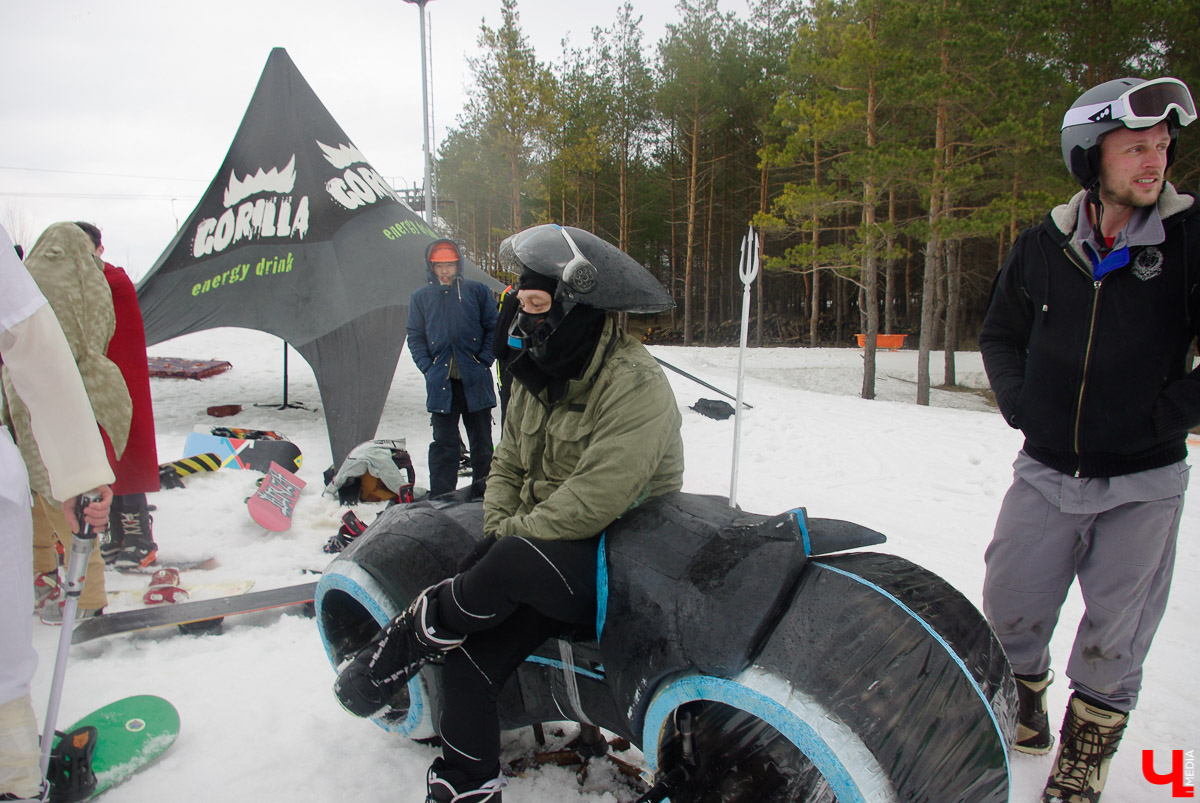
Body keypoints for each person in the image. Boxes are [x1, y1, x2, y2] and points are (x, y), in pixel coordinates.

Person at [335, 224, 684, 802]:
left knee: (509, 561)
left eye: (538, 304)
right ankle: (467, 785)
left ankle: (404, 644)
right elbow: (507, 468)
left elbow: (595, 499)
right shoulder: (537, 376)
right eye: (519, 303)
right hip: (541, 560)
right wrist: (499, 530)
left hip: (620, 563)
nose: (525, 320)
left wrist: (508, 544)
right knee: (469, 663)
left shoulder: (633, 383)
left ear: (576, 308)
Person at [979, 76, 1200, 803]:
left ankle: (1081, 760)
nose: (1155, 161)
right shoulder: (1044, 243)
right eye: (1136, 146)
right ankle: (1028, 710)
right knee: (1010, 606)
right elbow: (1001, 331)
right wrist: (1020, 403)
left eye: (1163, 146)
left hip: (1144, 483)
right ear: (1088, 155)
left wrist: (1161, 417)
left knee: (1116, 634)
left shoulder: (1191, 239)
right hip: (1046, 471)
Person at [0, 223, 113, 801]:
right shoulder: (88, 281)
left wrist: (78, 470)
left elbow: (32, 341)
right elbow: (41, 343)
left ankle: (15, 772)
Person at [1, 222, 131, 623]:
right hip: (61, 396)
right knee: (68, 500)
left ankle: (46, 580)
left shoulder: (33, 272)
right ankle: (86, 598)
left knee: (37, 497)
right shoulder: (88, 277)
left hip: (24, 402)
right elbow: (88, 337)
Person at [75, 223, 160, 568]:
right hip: (91, 382)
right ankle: (112, 530)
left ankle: (138, 533)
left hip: (121, 382)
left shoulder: (114, 280)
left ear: (99, 250)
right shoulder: (80, 285)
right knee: (100, 457)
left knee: (126, 454)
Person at [405, 239, 499, 498]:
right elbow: (415, 335)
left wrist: (484, 360)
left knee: (482, 445)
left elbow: (494, 327)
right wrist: (427, 367)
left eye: (449, 264)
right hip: (442, 385)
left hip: (475, 382)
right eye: (439, 266)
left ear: (458, 264)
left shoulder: (477, 291)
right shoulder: (420, 298)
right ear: (431, 267)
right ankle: (441, 500)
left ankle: (485, 497)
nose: (445, 271)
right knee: (444, 446)